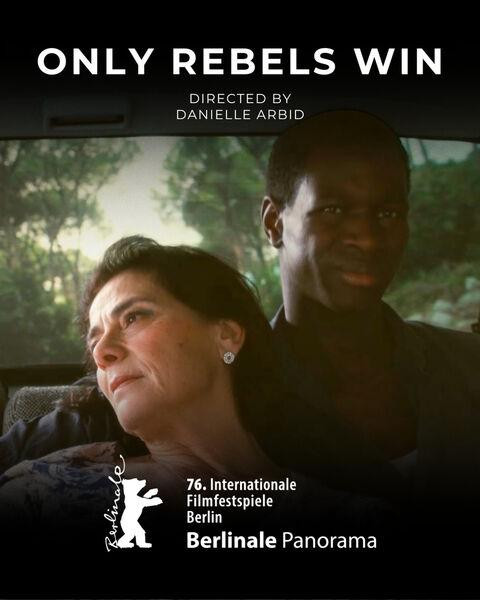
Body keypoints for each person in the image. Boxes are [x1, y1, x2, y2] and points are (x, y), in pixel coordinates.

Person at [0, 236, 356, 531]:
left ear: (227, 335)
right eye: (94, 340)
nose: (101, 353)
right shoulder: (39, 489)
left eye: (133, 317)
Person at [260, 110, 480, 505]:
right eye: (333, 210)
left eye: (388, 214)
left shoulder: (470, 364)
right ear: (275, 223)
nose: (368, 239)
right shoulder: (232, 399)